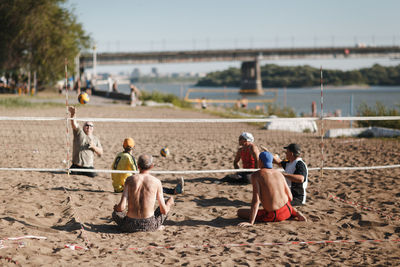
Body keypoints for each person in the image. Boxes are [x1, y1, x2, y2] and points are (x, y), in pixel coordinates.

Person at [237, 151, 306, 226]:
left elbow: (256, 201)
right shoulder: (279, 173)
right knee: (282, 205)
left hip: (275, 215)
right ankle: (295, 213)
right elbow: (290, 197)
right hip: (288, 210)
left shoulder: (256, 175)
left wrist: (251, 222)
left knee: (240, 212)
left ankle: (292, 213)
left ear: (260, 161)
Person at [112, 154, 175, 232]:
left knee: (115, 213)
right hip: (149, 224)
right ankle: (156, 227)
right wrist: (169, 204)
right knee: (167, 203)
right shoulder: (156, 181)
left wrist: (116, 209)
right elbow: (164, 211)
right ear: (152, 166)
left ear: (138, 166)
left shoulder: (129, 180)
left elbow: (122, 207)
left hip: (130, 224)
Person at [111, 138, 184, 194]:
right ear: (133, 147)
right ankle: (174, 191)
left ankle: (172, 190)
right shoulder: (129, 157)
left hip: (116, 186)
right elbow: (136, 173)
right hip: (123, 188)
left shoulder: (119, 155)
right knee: (150, 186)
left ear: (123, 146)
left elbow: (113, 170)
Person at [68, 106, 103, 177]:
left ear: (93, 128)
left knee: (95, 176)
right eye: (87, 125)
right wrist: (73, 114)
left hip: (88, 167)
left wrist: (93, 147)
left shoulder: (95, 139)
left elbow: (100, 153)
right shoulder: (79, 133)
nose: (89, 127)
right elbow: (74, 124)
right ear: (83, 127)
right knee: (69, 175)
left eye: (91, 126)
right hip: (76, 166)